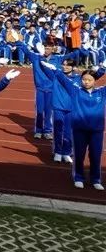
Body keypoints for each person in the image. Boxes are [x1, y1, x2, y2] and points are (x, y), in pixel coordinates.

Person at [44, 62, 106, 190]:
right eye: (84, 79)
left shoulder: (101, 93)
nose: (86, 82)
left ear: (95, 81)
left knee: (95, 155)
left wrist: (103, 67)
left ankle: (96, 179)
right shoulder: (75, 90)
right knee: (79, 155)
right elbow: (63, 79)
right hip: (79, 130)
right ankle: (78, 177)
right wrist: (55, 69)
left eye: (89, 80)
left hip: (96, 131)